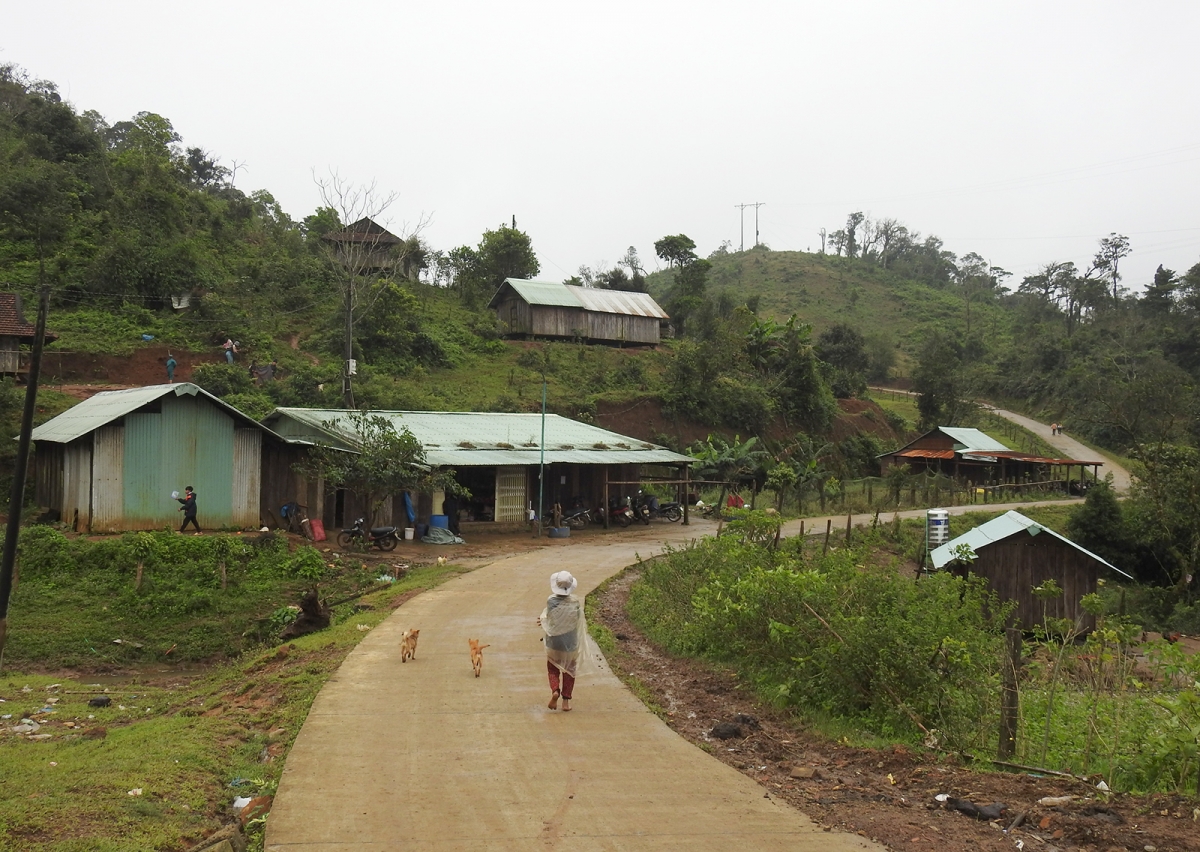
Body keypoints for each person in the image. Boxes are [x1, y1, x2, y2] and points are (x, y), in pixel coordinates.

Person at [538, 571, 585, 711]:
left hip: (554, 642)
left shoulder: (551, 601)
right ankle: (566, 702)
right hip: (570, 642)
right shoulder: (575, 602)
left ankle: (555, 691)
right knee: (569, 671)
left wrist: (543, 620)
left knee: (552, 668)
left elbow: (551, 619)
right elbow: (575, 620)